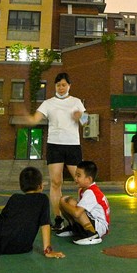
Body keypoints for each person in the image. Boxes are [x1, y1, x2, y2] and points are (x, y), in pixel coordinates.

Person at [14, 72, 86, 232]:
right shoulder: (48, 103)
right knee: (55, 182)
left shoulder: (76, 101)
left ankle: (83, 215)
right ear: (55, 86)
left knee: (80, 182)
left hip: (73, 145)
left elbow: (85, 121)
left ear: (69, 86)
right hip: (54, 145)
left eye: (64, 85)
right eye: (58, 85)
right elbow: (34, 120)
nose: (61, 88)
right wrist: (25, 115)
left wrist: (80, 116)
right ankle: (58, 218)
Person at [0, 166, 65, 258]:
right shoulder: (43, 199)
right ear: (40, 186)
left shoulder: (15, 198)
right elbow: (45, 224)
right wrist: (48, 251)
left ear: (21, 186)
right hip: (22, 247)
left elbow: (4, 219)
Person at [57, 160, 110, 245]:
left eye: (78, 176)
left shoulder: (91, 192)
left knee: (69, 204)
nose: (75, 178)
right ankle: (74, 228)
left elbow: (77, 213)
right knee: (69, 201)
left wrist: (62, 203)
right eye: (75, 175)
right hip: (92, 219)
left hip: (99, 227)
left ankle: (92, 234)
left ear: (89, 179)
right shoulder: (82, 190)